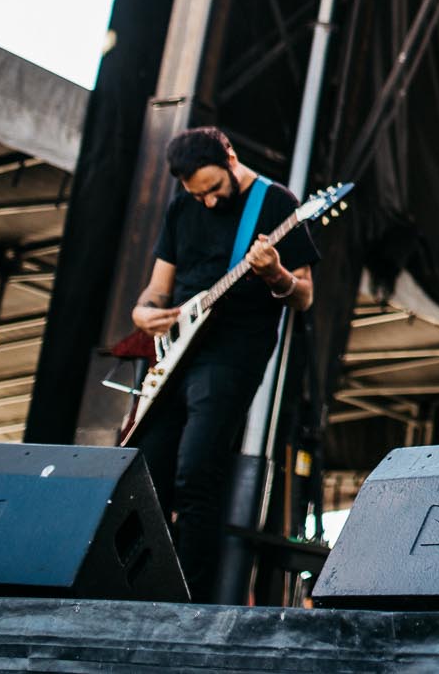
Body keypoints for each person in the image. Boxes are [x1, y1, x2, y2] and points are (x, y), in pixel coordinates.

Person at [129, 125, 317, 602]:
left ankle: (188, 601)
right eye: (198, 195)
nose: (209, 202)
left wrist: (274, 273)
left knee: (196, 474)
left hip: (232, 353)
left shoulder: (275, 203)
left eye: (214, 188)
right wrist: (144, 313)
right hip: (176, 355)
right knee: (143, 470)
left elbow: (304, 295)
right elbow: (156, 289)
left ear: (231, 158)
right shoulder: (182, 208)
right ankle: (133, 589)